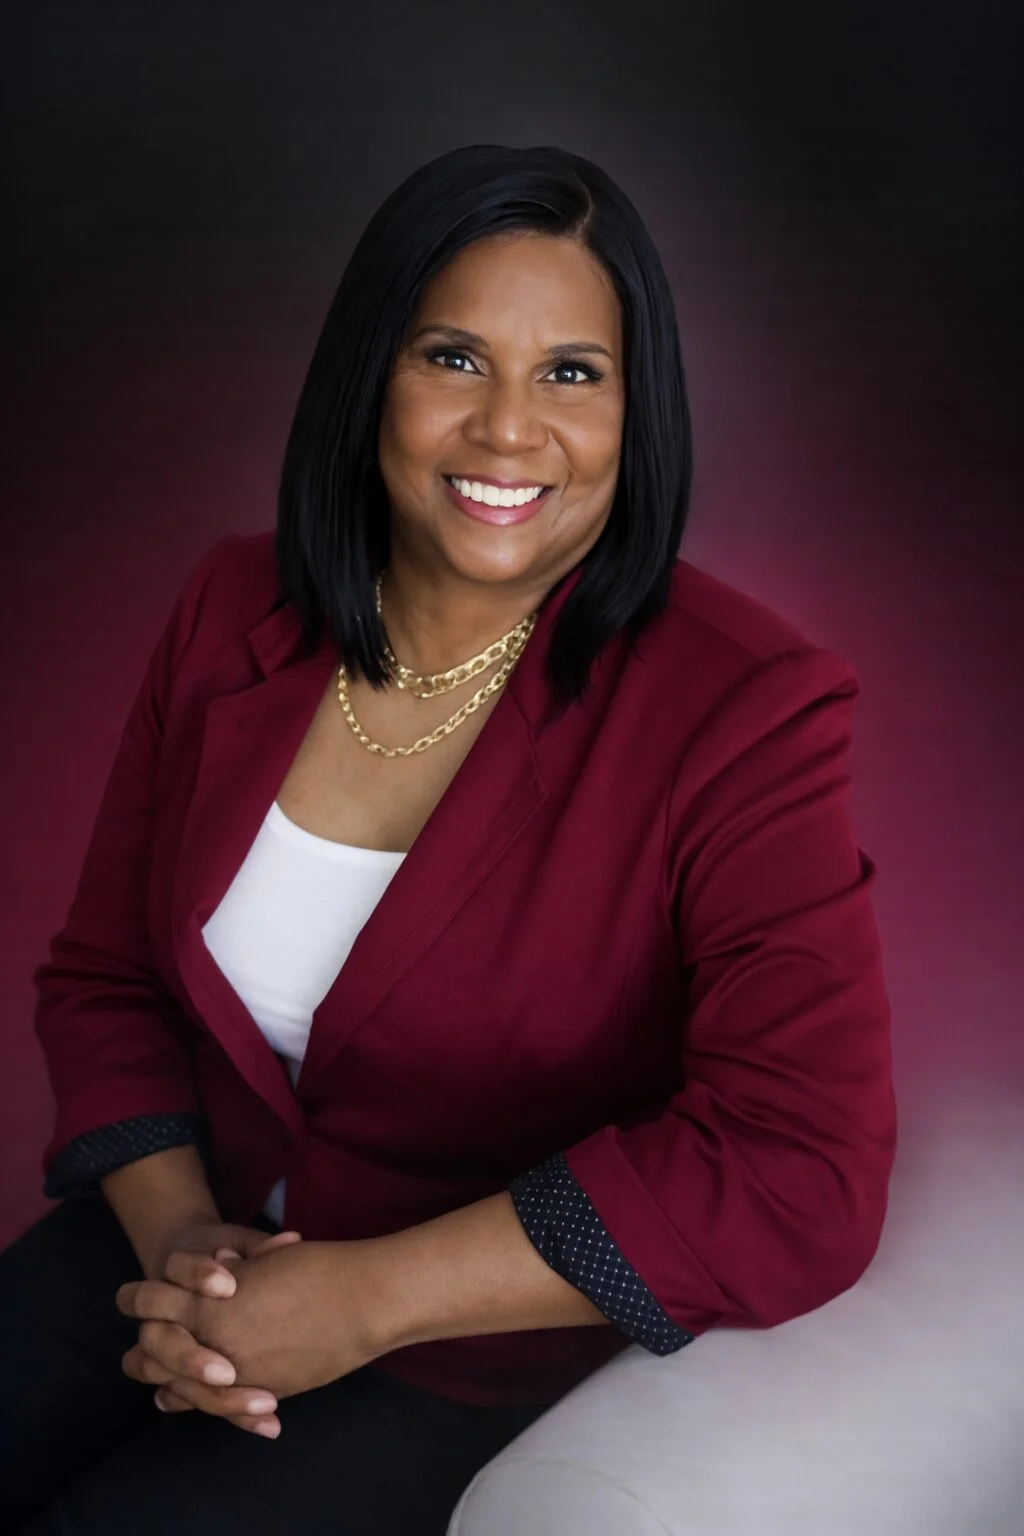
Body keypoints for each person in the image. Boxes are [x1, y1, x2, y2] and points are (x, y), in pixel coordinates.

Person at [0, 142, 897, 1534]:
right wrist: (187, 1251)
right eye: (454, 359)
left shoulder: (747, 709)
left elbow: (800, 1167)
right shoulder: (232, 607)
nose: (508, 431)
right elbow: (107, 975)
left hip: (461, 1346)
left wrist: (364, 1300)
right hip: (185, 1239)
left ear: (635, 409)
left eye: (572, 374)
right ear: (374, 378)